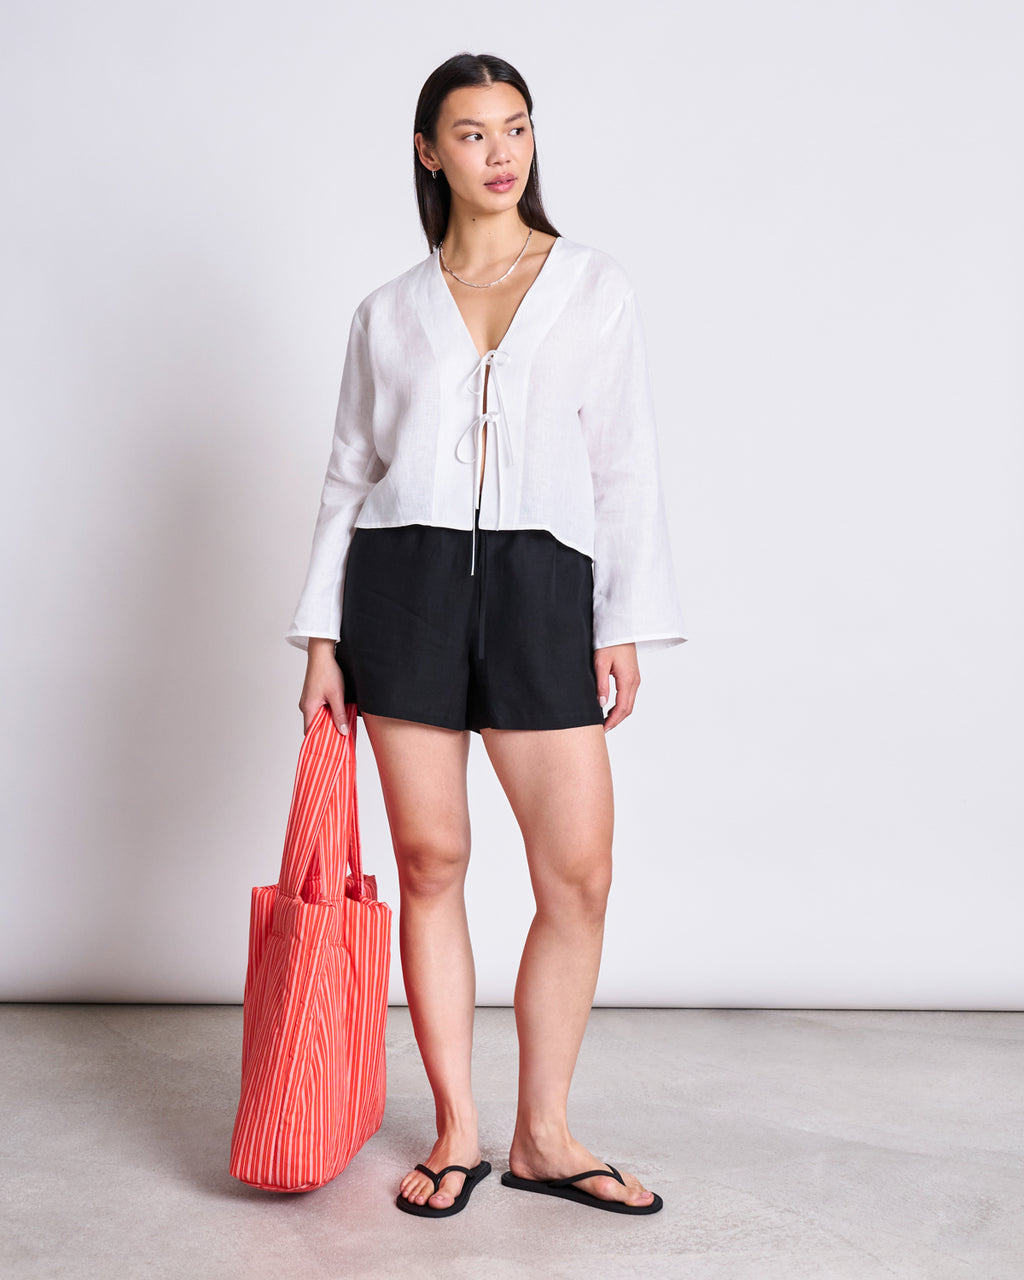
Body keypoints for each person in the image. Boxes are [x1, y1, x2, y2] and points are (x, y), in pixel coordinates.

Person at [287, 52, 688, 1218]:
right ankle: (459, 1126)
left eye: (515, 128)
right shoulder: (387, 313)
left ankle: (545, 1133)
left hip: (539, 586)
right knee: (431, 863)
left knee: (578, 872)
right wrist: (321, 634)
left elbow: (624, 464)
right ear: (429, 152)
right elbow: (347, 473)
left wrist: (620, 623)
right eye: (472, 133)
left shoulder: (593, 286)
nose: (501, 152)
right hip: (401, 583)